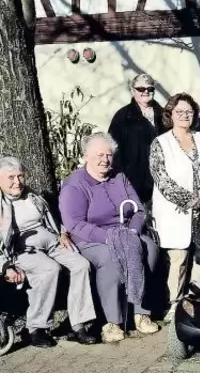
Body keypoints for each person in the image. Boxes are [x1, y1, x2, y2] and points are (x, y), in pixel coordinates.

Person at [60, 133, 160, 343]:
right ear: (86, 155)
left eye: (109, 155)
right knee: (110, 257)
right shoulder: (75, 184)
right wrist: (110, 238)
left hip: (125, 232)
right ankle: (112, 321)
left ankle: (141, 312)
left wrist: (132, 233)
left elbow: (139, 210)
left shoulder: (119, 178)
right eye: (99, 155)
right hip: (91, 237)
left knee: (149, 248)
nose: (105, 160)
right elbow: (74, 223)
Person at [0, 157, 97, 347]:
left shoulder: (31, 195)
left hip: (52, 242)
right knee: (49, 269)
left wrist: (62, 233)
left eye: (20, 176)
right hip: (22, 251)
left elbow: (50, 216)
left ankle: (79, 324)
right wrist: (5, 266)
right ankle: (36, 328)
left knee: (81, 265)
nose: (17, 182)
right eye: (11, 177)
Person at [149, 93, 200, 320]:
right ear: (170, 114)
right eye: (179, 112)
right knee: (179, 259)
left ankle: (194, 301)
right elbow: (162, 180)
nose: (184, 115)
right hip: (176, 211)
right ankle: (174, 304)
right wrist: (190, 200)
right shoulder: (160, 143)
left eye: (189, 112)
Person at [108, 74, 166, 204]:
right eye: (140, 89)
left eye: (150, 88)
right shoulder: (123, 117)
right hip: (134, 183)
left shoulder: (164, 115)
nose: (145, 92)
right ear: (133, 91)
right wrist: (119, 182)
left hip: (161, 183)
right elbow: (114, 150)